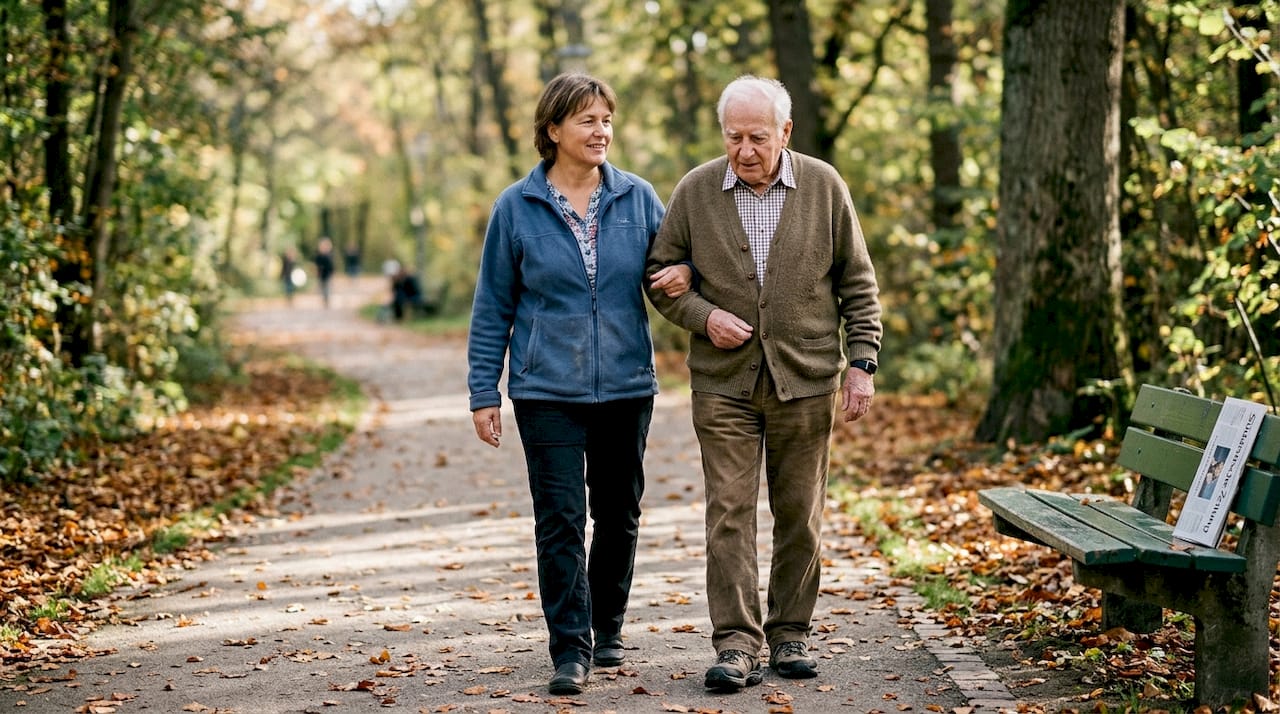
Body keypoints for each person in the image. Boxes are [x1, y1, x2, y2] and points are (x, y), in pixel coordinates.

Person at [645, 75, 883, 693]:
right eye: (733, 137)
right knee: (728, 512)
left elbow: (859, 283)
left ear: (785, 132)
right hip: (723, 384)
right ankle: (736, 644)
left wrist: (862, 363)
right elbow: (659, 278)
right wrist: (703, 316)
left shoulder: (824, 186)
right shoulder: (696, 191)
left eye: (757, 137)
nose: (745, 150)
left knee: (800, 512)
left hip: (805, 380)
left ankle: (790, 633)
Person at [466, 72, 689, 696]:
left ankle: (606, 627)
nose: (602, 131)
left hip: (625, 386)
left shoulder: (639, 198)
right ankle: (570, 646)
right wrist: (485, 390)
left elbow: (677, 262)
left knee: (618, 514)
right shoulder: (516, 207)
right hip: (545, 392)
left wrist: (685, 272)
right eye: (588, 120)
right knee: (561, 519)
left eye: (607, 120)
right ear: (553, 129)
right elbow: (493, 307)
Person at [314, 237, 335, 307]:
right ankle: (324, 299)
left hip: (327, 274)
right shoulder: (319, 256)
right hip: (321, 274)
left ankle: (326, 300)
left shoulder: (329, 255)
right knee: (322, 287)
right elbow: (316, 265)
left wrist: (332, 273)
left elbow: (331, 266)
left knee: (327, 288)